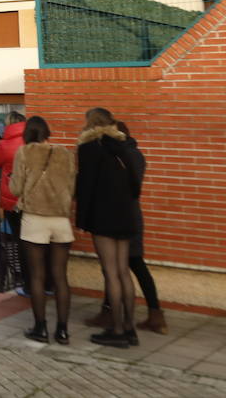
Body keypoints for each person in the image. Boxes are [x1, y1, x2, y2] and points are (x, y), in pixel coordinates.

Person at [86, 121, 167, 334]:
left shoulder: (120, 155)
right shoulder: (135, 154)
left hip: (118, 216)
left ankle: (117, 317)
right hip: (132, 215)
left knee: (119, 269)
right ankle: (152, 314)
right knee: (130, 267)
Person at [76, 106, 141, 348]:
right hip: (125, 214)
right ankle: (130, 328)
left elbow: (86, 186)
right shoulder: (123, 145)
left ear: (90, 123)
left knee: (111, 271)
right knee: (124, 271)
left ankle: (115, 329)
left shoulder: (89, 148)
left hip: (103, 216)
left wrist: (82, 219)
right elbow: (135, 180)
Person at [9, 115, 76, 344]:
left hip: (35, 218)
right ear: (47, 131)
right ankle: (63, 331)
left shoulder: (24, 152)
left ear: (28, 133)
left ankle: (40, 328)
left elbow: (16, 188)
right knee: (60, 277)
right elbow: (71, 185)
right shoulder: (65, 153)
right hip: (60, 219)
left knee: (37, 276)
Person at [0, 110, 27, 293]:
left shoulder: (5, 144)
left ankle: (19, 278)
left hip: (12, 199)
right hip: (33, 198)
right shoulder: (31, 140)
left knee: (14, 239)